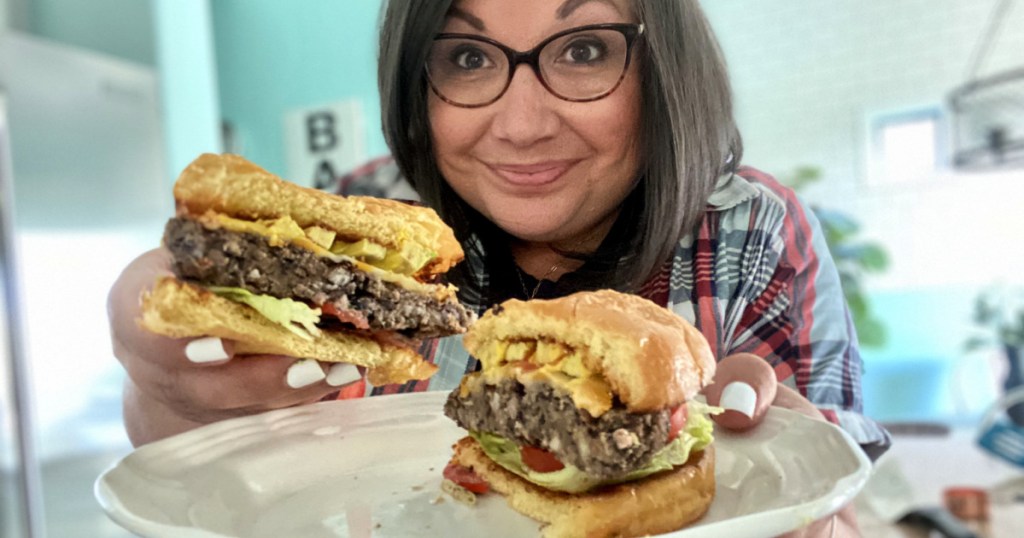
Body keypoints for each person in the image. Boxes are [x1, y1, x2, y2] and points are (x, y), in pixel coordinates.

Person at [108, 0, 889, 535]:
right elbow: (236, 468)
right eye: (468, 57)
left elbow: (838, 495)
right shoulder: (370, 214)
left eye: (584, 51)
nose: (519, 125)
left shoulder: (753, 228)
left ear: (666, 66)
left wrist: (815, 508)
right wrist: (167, 390)